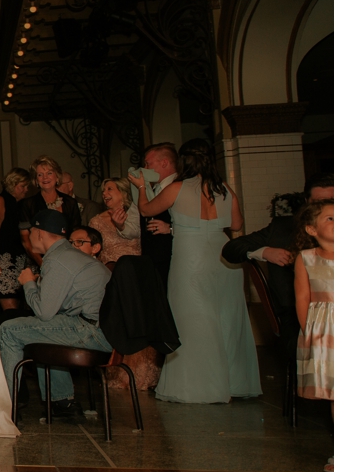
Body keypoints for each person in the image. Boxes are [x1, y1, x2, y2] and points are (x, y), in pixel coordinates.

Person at [139, 139, 260, 404]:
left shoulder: (179, 188)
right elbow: (237, 225)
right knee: (227, 318)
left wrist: (141, 187)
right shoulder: (225, 189)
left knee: (192, 319)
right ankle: (235, 383)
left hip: (190, 257)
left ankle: (199, 387)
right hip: (222, 255)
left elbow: (146, 209)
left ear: (184, 162)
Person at [0, 211, 111, 419]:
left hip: (92, 332)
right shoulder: (68, 255)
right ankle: (62, 403)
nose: (28, 236)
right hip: (102, 329)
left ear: (39, 233)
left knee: (8, 330)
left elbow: (44, 313)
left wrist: (28, 283)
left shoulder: (57, 259)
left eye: (30, 231)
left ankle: (7, 408)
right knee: (40, 331)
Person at [224, 172, 334, 341]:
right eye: (319, 203)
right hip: (295, 314)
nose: (328, 208)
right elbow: (231, 249)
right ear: (307, 203)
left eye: (333, 201)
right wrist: (264, 252)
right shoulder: (283, 228)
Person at [85, 180, 156, 391]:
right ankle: (118, 373)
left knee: (138, 322)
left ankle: (143, 375)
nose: (104, 193)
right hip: (110, 278)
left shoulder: (137, 215)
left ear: (124, 193)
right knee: (118, 323)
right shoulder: (96, 221)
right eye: (103, 189)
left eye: (110, 189)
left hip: (136, 276)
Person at [293, 200, 333, 410]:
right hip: (326, 333)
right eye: (330, 218)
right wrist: (308, 331)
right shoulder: (306, 259)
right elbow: (302, 297)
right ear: (312, 229)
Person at [18, 157, 83, 266]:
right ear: (36, 180)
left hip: (67, 260)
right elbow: (25, 239)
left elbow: (76, 233)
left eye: (49, 173)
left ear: (57, 176)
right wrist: (42, 263)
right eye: (40, 174)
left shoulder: (70, 202)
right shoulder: (28, 204)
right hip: (38, 261)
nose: (45, 178)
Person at [137, 142, 179, 284]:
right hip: (155, 256)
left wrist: (171, 228)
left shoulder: (179, 186)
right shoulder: (155, 188)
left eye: (148, 164)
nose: (145, 168)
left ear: (164, 163)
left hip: (173, 255)